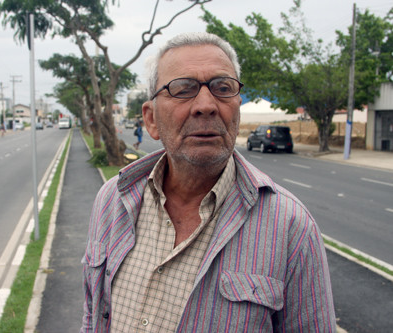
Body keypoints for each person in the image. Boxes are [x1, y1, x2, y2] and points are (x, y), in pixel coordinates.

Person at [81, 32, 335, 332]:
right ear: (151, 120)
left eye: (222, 88)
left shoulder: (291, 228)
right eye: (183, 89)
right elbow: (92, 315)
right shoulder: (113, 200)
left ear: (237, 109)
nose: (206, 105)